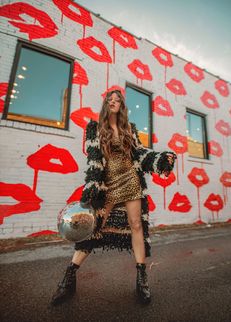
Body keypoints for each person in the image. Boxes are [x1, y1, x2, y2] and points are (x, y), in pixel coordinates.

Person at [51, 89, 176, 306]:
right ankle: (69, 278)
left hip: (131, 181)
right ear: (106, 103)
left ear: (122, 106)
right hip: (108, 185)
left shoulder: (130, 129)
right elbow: (93, 160)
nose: (114, 102)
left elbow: (140, 154)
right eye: (111, 99)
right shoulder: (95, 128)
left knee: (136, 225)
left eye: (118, 100)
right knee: (95, 228)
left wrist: (161, 159)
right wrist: (92, 189)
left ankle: (141, 279)